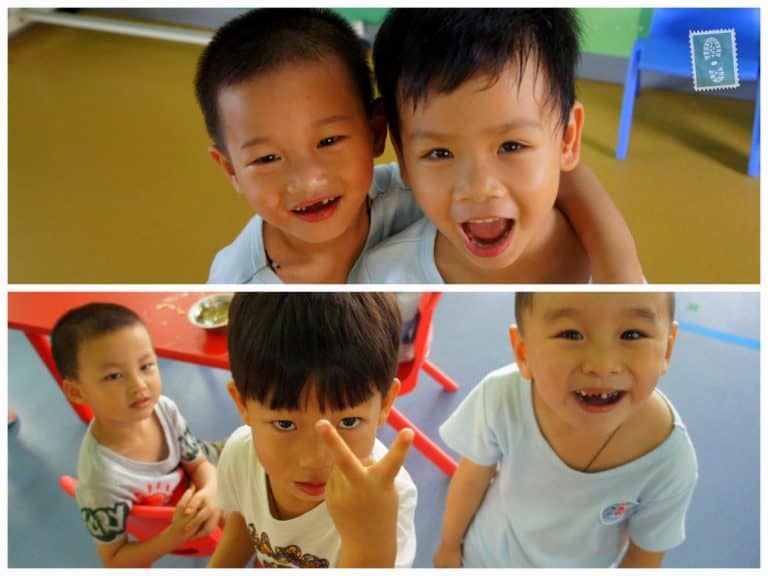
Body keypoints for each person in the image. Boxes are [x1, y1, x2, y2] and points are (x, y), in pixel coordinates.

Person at [195, 8, 642, 284]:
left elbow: (560, 165)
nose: (478, 188)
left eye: (328, 140)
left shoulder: (411, 192)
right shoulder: (239, 282)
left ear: (376, 134)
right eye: (267, 158)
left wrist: (618, 270)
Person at [361, 9, 642, 283]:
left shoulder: (618, 285)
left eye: (511, 146)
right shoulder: (382, 276)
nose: (479, 188)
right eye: (439, 153)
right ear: (403, 157)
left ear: (567, 139)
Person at [435, 292, 698, 568]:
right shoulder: (501, 395)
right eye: (571, 335)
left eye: (632, 335)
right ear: (523, 352)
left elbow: (643, 558)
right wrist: (449, 546)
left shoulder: (669, 461)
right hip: (484, 557)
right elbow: (471, 479)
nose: (602, 366)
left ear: (667, 350)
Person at [208, 293, 417, 568]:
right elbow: (244, 520)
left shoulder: (388, 496)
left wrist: (367, 544)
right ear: (242, 403)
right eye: (285, 424)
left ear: (386, 403)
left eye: (349, 422)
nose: (316, 459)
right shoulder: (240, 453)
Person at [52, 303, 220, 568]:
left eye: (146, 366)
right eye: (114, 376)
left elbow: (199, 463)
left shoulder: (163, 408)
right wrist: (173, 536)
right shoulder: (101, 482)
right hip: (191, 526)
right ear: (76, 392)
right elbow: (114, 560)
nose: (139, 386)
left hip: (207, 491)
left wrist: (211, 489)